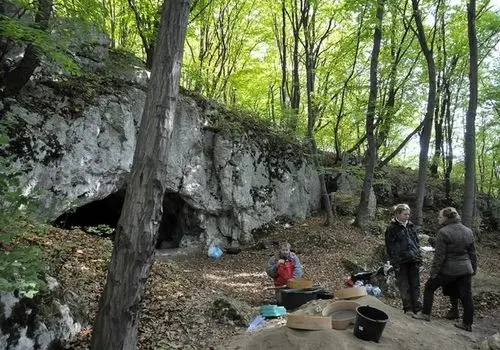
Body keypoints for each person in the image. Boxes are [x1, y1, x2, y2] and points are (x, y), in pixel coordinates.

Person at [413, 207, 477, 332]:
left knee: (429, 286)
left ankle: (426, 314)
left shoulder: (443, 232)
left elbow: (439, 256)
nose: (438, 219)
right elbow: (472, 253)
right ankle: (466, 323)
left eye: (440, 217)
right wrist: (473, 268)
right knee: (466, 295)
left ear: (447, 218)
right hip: (466, 269)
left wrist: (434, 272)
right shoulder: (468, 231)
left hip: (450, 269)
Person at [385, 203, 423, 316]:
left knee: (415, 285)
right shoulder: (391, 228)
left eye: (408, 214)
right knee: (404, 285)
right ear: (398, 214)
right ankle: (408, 309)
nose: (407, 216)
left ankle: (418, 308)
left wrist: (419, 259)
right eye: (405, 214)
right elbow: (390, 247)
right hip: (401, 261)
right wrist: (394, 262)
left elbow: (416, 243)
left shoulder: (411, 226)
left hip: (413, 259)